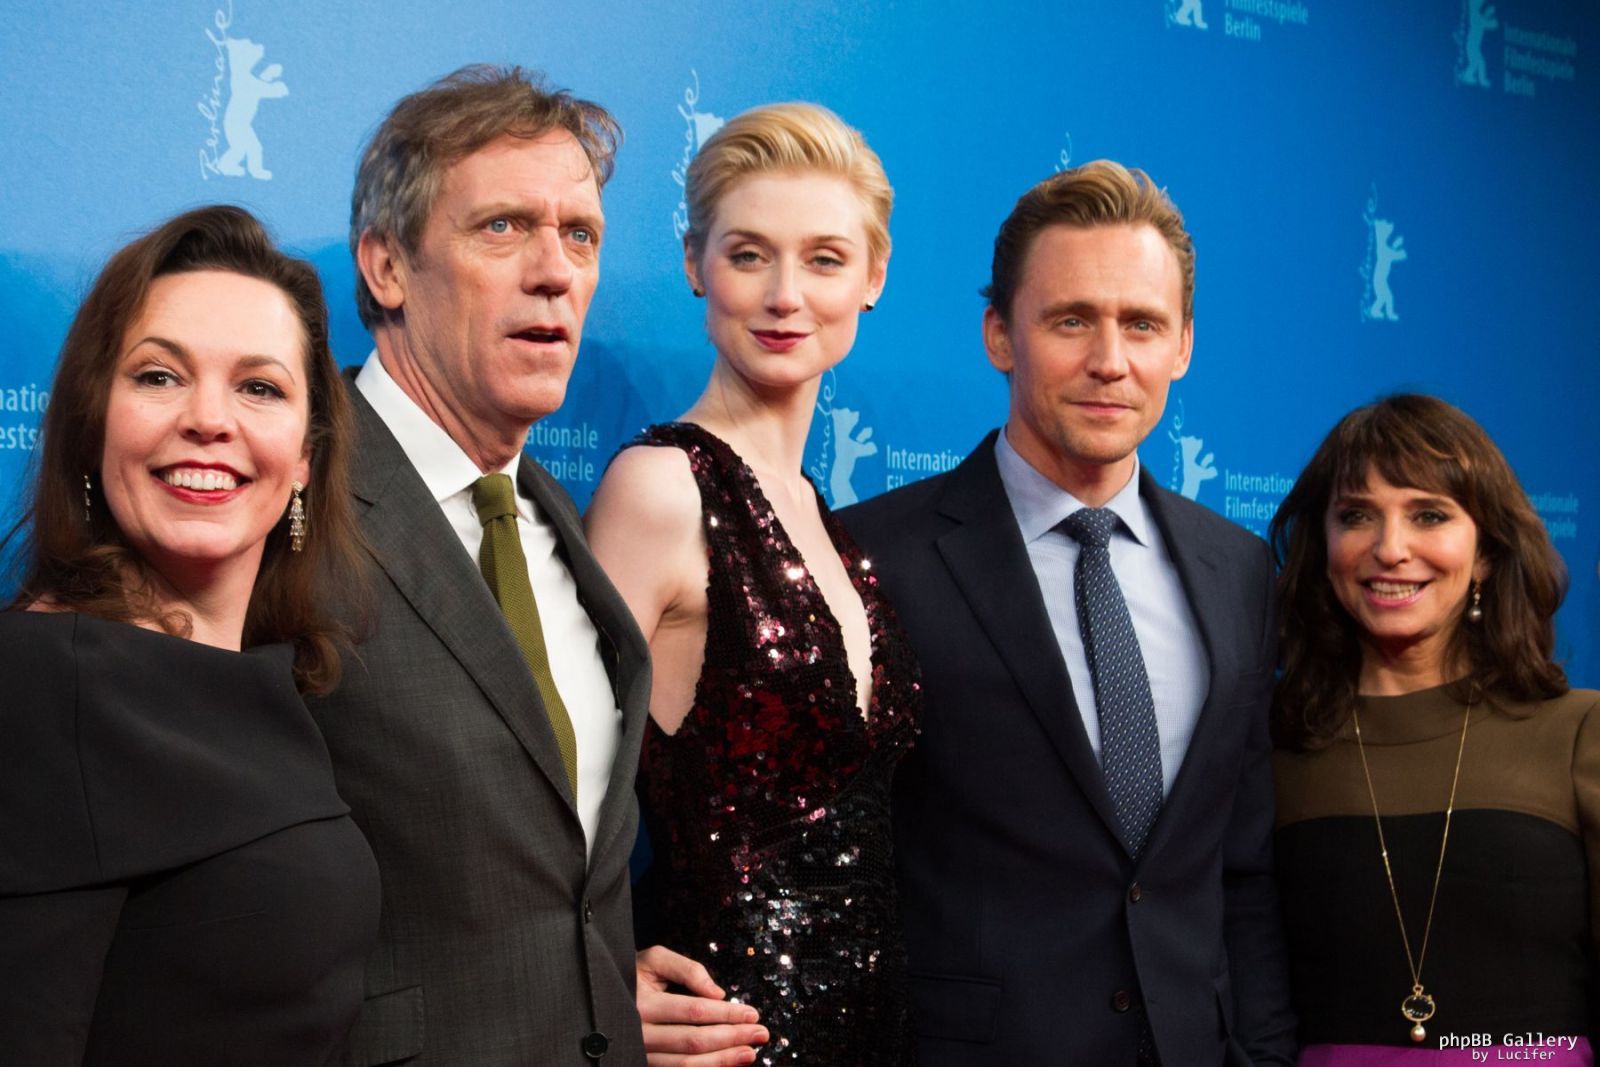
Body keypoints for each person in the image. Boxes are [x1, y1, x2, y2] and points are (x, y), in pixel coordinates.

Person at [314, 65, 765, 1065]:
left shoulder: (559, 518)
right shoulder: (287, 498)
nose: (556, 271)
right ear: (386, 266)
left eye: (581, 236)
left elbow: (543, 874)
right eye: (503, 227)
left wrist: (587, 979)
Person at [840, 160, 1297, 1065]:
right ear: (999, 335)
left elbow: (1242, 868)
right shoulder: (871, 557)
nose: (1110, 361)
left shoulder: (1239, 569)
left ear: (1183, 346)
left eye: (1142, 324)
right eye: (1072, 320)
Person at [0, 205, 377, 1064]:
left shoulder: (276, 682)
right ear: (93, 423)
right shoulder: (36, 686)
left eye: (260, 387)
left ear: (306, 456)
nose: (210, 418)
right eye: (160, 376)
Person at [585, 102, 917, 1064]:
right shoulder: (660, 488)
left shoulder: (821, 514)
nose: (784, 295)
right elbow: (545, 778)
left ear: (873, 278)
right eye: (748, 255)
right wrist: (593, 967)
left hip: (873, 1031)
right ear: (696, 264)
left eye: (824, 259)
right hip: (723, 1035)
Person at [1270, 394, 1593, 1065]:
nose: (1390, 548)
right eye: (1356, 515)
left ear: (1486, 552)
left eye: (1429, 515)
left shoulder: (1578, 731)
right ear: (1323, 546)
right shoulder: (1269, 744)